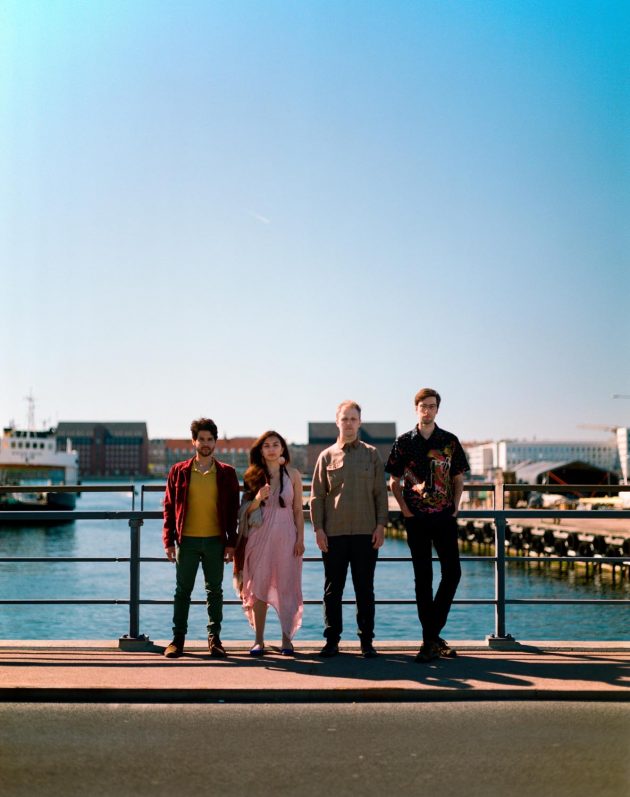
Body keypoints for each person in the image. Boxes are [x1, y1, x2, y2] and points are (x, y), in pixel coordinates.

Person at [385, 388, 469, 662]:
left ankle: (430, 637)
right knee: (423, 579)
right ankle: (430, 640)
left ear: (437, 409)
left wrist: (456, 505)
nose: (427, 410)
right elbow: (393, 481)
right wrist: (405, 509)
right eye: (423, 405)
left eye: (432, 406)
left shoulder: (449, 441)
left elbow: (458, 477)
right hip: (416, 519)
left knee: (452, 573)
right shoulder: (404, 442)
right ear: (416, 408)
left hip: (444, 517)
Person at [310, 400, 388, 658]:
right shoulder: (326, 456)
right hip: (334, 534)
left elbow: (380, 493)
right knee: (333, 590)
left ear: (360, 422)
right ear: (337, 422)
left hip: (367, 533)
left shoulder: (372, 454)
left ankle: (366, 641)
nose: (349, 423)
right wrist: (318, 530)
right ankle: (332, 640)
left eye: (353, 419)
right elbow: (317, 497)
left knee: (365, 589)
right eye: (345, 419)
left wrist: (381, 526)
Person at [162, 417, 240, 658]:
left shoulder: (227, 473)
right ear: (193, 441)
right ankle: (177, 640)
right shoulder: (179, 471)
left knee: (214, 591)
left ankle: (214, 638)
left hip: (216, 541)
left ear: (215, 442)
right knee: (182, 591)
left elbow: (234, 511)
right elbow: (168, 506)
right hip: (187, 541)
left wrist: (231, 543)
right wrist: (168, 541)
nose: (205, 444)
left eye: (210, 439)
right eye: (201, 439)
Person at [235, 431, 304, 656]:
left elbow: (298, 511)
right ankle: (259, 640)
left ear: (283, 449)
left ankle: (287, 640)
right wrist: (257, 499)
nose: (272, 449)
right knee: (259, 587)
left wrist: (300, 539)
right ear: (261, 450)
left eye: (276, 445)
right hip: (259, 537)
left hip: (286, 536)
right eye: (267, 445)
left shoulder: (293, 474)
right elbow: (244, 511)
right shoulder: (253, 476)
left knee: (287, 586)